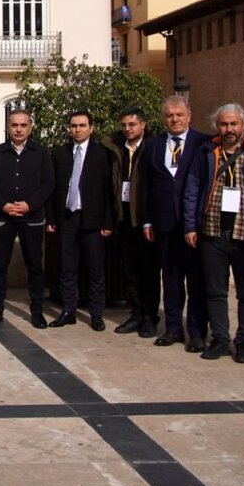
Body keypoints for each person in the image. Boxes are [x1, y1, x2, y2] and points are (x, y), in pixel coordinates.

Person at [183, 104, 244, 362]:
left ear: (243, 125)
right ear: (217, 126)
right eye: (224, 124)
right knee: (215, 291)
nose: (229, 129)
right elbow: (193, 188)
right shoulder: (207, 152)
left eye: (234, 124)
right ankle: (220, 338)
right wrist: (190, 225)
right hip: (212, 231)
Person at [140, 96, 210, 352]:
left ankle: (197, 332)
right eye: (169, 115)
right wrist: (147, 219)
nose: (175, 119)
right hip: (164, 223)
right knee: (170, 279)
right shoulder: (155, 145)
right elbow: (146, 185)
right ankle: (173, 329)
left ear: (189, 115)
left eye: (179, 114)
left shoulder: (203, 143)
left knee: (196, 281)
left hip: (193, 224)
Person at [0, 109, 55, 329]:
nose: (19, 129)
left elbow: (48, 183)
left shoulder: (41, 153)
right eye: (14, 125)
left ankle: (37, 311)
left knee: (35, 266)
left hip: (31, 218)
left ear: (30, 127)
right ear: (8, 127)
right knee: (0, 266)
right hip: (3, 218)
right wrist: (3, 205)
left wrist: (29, 205)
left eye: (23, 125)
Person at [49, 110, 119, 331]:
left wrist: (108, 222)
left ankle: (96, 314)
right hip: (67, 218)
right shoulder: (60, 153)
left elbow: (109, 191)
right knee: (67, 268)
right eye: (73, 126)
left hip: (93, 221)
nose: (77, 130)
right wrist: (51, 218)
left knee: (95, 269)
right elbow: (54, 189)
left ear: (91, 127)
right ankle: (68, 310)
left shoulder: (102, 155)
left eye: (82, 125)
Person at [111, 107, 160, 338]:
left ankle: (150, 317)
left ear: (143, 125)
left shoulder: (153, 147)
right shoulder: (117, 147)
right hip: (123, 218)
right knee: (129, 271)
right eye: (124, 125)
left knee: (148, 272)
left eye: (132, 124)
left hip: (145, 219)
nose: (128, 129)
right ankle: (136, 313)